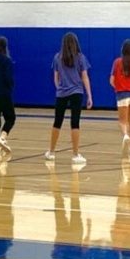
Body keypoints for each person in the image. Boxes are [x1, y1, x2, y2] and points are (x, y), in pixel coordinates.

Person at [46, 32, 93, 165]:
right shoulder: (80, 58)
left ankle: (51, 152)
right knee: (75, 122)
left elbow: (56, 77)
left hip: (61, 93)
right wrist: (89, 95)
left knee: (57, 122)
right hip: (77, 92)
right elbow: (84, 77)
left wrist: (59, 88)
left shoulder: (57, 57)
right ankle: (75, 154)